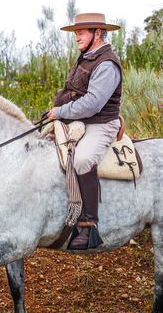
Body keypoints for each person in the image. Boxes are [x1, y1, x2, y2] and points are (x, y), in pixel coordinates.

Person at [47, 13, 122, 250]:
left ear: (97, 33)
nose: (76, 37)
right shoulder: (87, 57)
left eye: (81, 32)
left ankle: (89, 226)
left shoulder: (106, 63)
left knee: (82, 160)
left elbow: (93, 103)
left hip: (100, 123)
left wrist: (60, 112)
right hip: (80, 119)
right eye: (75, 33)